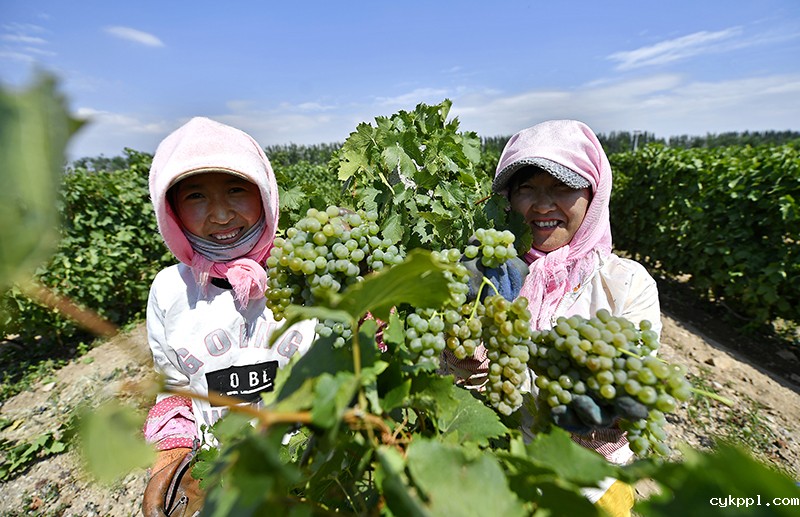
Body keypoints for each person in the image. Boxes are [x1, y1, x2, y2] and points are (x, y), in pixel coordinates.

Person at [444, 119, 661, 517]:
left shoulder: (626, 284)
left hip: (591, 492)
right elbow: (462, 391)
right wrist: (461, 358)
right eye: (526, 189)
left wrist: (611, 413)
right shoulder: (486, 276)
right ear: (507, 199)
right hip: (497, 483)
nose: (542, 205)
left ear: (593, 195)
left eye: (562, 187)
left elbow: (633, 379)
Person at [141, 117, 316, 515]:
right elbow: (175, 389)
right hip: (223, 480)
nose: (220, 215)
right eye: (196, 197)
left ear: (265, 194)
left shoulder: (307, 275)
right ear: (171, 211)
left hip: (317, 472)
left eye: (236, 190)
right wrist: (168, 461)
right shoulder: (169, 292)